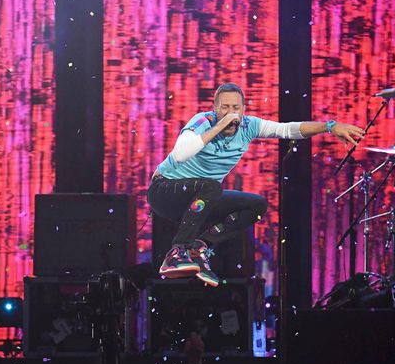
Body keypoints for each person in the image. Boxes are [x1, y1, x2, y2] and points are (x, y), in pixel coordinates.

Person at [148, 82, 363, 286]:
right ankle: (176, 253)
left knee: (256, 206)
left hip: (199, 201)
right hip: (165, 191)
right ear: (214, 109)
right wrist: (218, 126)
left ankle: (199, 247)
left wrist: (329, 126)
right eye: (224, 108)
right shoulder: (203, 122)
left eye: (235, 108)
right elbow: (180, 154)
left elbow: (288, 130)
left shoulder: (249, 126)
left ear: (243, 110)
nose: (231, 114)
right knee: (212, 186)